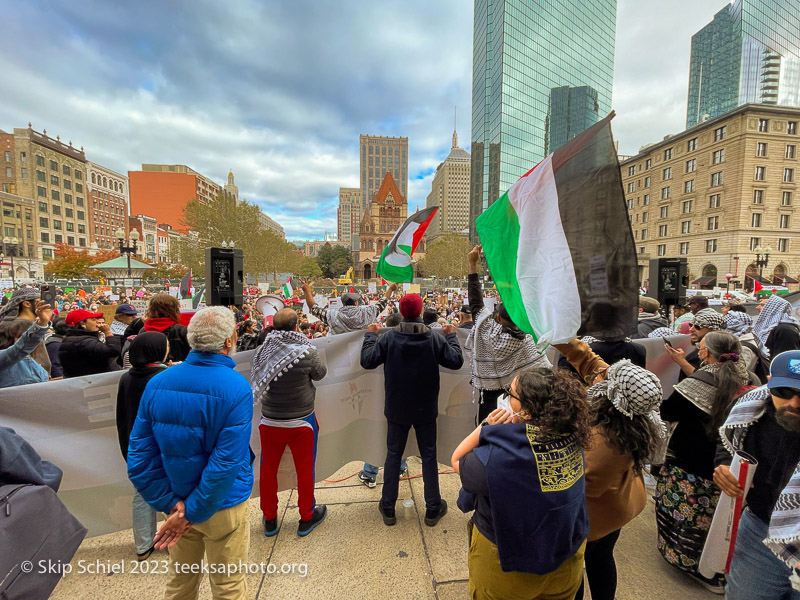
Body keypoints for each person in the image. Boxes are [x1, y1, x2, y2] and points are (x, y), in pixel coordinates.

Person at [127, 306, 253, 600]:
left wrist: (173, 506)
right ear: (228, 340)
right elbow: (227, 461)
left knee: (180, 583)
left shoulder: (158, 382)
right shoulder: (235, 387)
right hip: (223, 504)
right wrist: (190, 511)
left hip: (175, 501)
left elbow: (139, 458)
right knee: (228, 586)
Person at [452, 367, 591, 600]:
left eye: (511, 394)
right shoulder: (573, 435)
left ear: (526, 411)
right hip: (566, 556)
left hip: (508, 569)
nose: (507, 398)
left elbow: (458, 460)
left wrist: (485, 427)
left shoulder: (500, 456)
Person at [558, 340, 665, 600]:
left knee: (577, 567)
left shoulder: (608, 442)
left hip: (594, 515)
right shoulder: (630, 409)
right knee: (603, 556)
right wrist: (558, 334)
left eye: (605, 378)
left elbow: (578, 484)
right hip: (618, 504)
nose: (599, 376)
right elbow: (590, 361)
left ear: (611, 394)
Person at [655, 331, 751, 593]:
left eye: (700, 346)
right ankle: (717, 568)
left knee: (687, 516)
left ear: (706, 353)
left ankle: (695, 567)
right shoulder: (747, 377)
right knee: (717, 519)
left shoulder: (697, 383)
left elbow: (669, 411)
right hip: (728, 465)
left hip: (690, 463)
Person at [361, 293, 463, 527]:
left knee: (393, 455)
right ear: (419, 312)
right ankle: (432, 508)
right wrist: (452, 337)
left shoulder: (389, 339)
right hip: (426, 408)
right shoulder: (434, 339)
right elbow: (455, 361)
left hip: (397, 408)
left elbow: (367, 360)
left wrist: (370, 336)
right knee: (428, 456)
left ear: (401, 312)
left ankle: (388, 508)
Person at [714, 350, 800, 600]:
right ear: (770, 382)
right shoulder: (752, 406)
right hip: (759, 531)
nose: (794, 403)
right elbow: (727, 437)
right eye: (784, 392)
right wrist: (725, 464)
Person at [251, 308, 328, 538]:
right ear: (297, 327)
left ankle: (269, 518)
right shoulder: (307, 352)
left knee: (267, 469)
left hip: (270, 421)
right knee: (305, 470)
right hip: (301, 422)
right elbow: (321, 374)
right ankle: (306, 516)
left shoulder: (263, 351)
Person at [465, 245, 551, 425]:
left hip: (489, 401)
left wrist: (473, 266)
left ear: (497, 317)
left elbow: (475, 302)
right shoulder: (529, 339)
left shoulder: (487, 331)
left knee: (487, 433)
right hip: (519, 401)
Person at [115, 332, 170, 561]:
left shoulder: (127, 377)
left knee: (141, 494)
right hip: (161, 445)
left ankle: (143, 545)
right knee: (173, 491)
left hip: (136, 446)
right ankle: (180, 538)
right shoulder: (165, 377)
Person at [302, 281, 397, 335]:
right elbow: (383, 302)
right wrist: (390, 289)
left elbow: (314, 309)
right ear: (356, 303)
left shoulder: (332, 316)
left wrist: (307, 291)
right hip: (366, 353)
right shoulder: (369, 311)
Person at [0, 301, 53, 388]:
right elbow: (20, 348)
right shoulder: (5, 359)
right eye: (21, 336)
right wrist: (42, 323)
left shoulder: (31, 359)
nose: (25, 338)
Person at [664, 308, 726, 381]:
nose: (691, 329)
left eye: (697, 327)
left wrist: (681, 360)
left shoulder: (717, 351)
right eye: (691, 325)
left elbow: (705, 379)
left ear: (713, 330)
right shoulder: (701, 346)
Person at [59, 309, 122, 378]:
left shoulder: (76, 339)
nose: (97, 323)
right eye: (93, 320)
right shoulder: (83, 341)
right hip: (94, 382)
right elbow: (113, 351)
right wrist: (108, 333)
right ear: (83, 323)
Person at [143, 293, 191, 363]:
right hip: (177, 371)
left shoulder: (143, 331)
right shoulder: (182, 331)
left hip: (151, 373)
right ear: (174, 310)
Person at [752, 294, 800, 359]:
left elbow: (784, 359)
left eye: (762, 305)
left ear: (774, 308)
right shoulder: (770, 328)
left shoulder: (785, 330)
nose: (757, 307)